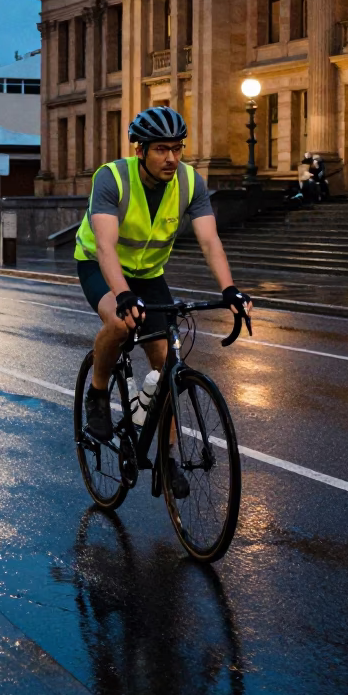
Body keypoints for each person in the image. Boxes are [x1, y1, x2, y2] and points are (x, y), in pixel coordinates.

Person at [75, 107, 252, 495]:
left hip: (150, 274)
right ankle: (99, 391)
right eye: (161, 149)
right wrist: (122, 294)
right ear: (140, 150)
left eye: (177, 148)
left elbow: (210, 240)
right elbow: (105, 246)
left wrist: (229, 290)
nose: (171, 158)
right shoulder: (112, 178)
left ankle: (166, 460)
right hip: (99, 266)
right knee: (121, 325)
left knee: (167, 366)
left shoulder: (190, 182)